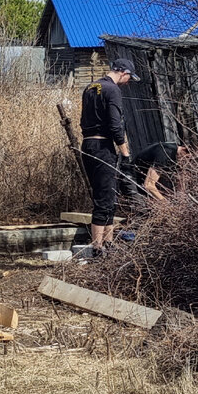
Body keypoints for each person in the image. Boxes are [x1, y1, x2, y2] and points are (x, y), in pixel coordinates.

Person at [79, 57, 139, 255]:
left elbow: (83, 120)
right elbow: (116, 125)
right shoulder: (113, 90)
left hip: (88, 144)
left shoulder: (90, 87)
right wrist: (125, 152)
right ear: (123, 72)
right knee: (105, 197)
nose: (128, 82)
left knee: (109, 194)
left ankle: (109, 243)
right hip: (102, 146)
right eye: (129, 77)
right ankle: (97, 247)